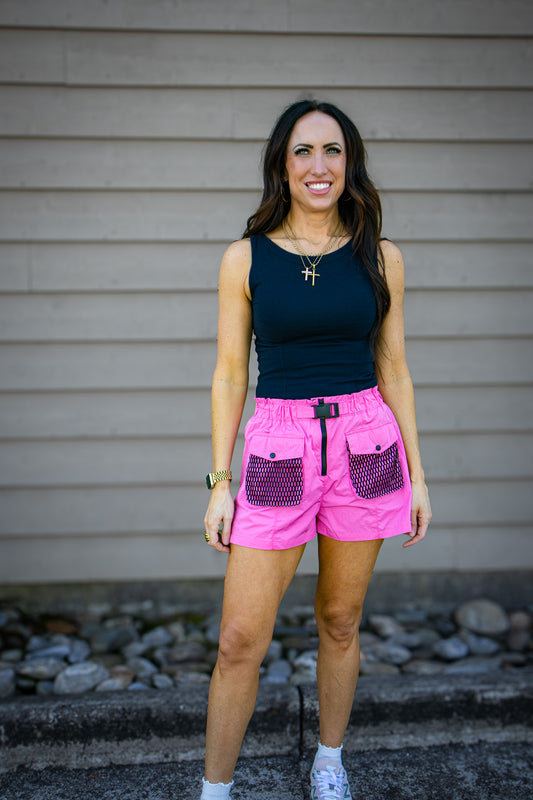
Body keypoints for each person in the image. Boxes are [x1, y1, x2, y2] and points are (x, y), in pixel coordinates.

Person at [201, 98, 431, 800]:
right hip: (277, 449)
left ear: (349, 162)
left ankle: (329, 759)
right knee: (240, 638)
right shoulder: (245, 258)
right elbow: (230, 373)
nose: (318, 165)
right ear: (281, 164)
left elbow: (393, 368)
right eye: (302, 151)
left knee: (338, 619)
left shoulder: (379, 256)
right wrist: (218, 479)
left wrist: (418, 477)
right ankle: (215, 789)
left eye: (332, 150)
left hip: (366, 444)